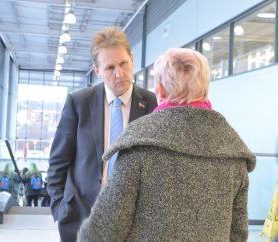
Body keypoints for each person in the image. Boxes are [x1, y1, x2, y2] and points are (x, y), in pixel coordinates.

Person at [77, 48, 256, 241]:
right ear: (205, 88)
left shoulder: (140, 143)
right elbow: (238, 234)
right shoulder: (233, 151)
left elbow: (104, 230)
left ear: (160, 90)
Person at [47, 26, 157, 242]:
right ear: (97, 71)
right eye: (110, 68)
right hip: (80, 218)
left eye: (124, 63)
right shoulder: (78, 102)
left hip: (132, 223)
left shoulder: (150, 103)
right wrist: (60, 207)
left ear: (132, 58)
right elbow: (58, 161)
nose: (120, 74)